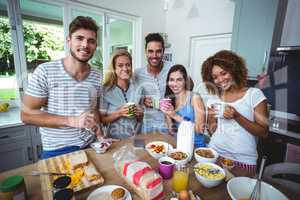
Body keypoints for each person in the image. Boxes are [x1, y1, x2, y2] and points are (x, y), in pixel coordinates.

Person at [21, 16, 104, 159]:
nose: (85, 45)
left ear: (95, 45)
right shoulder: (45, 71)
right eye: (79, 38)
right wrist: (71, 120)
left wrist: (100, 135)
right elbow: (26, 114)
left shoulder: (97, 75)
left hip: (91, 146)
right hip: (58, 151)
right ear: (69, 40)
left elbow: (93, 111)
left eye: (91, 41)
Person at [202, 50, 268, 174]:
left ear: (234, 70)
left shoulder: (254, 94)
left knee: (239, 193)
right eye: (215, 77)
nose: (220, 80)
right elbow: (212, 131)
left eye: (224, 73)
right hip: (214, 154)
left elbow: (263, 132)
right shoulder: (214, 98)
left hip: (243, 161)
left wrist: (236, 116)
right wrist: (210, 118)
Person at [134, 33, 173, 133]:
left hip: (169, 124)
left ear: (163, 51)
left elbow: (189, 86)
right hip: (146, 126)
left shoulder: (172, 69)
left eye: (158, 51)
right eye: (150, 51)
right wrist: (142, 100)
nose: (154, 56)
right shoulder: (137, 74)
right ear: (145, 52)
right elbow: (132, 96)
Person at [101, 50, 144, 139]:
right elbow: (102, 120)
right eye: (120, 65)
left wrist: (141, 114)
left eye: (128, 65)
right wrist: (119, 113)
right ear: (114, 68)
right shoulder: (105, 91)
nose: (125, 69)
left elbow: (140, 119)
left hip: (135, 138)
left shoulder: (137, 88)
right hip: (114, 140)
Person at [161, 64, 206, 148]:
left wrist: (175, 115)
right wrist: (168, 114)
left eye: (179, 80)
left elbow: (200, 130)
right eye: (171, 80)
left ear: (185, 81)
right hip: (179, 145)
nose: (174, 84)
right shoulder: (170, 99)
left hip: (195, 147)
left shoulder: (195, 98)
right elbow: (171, 131)